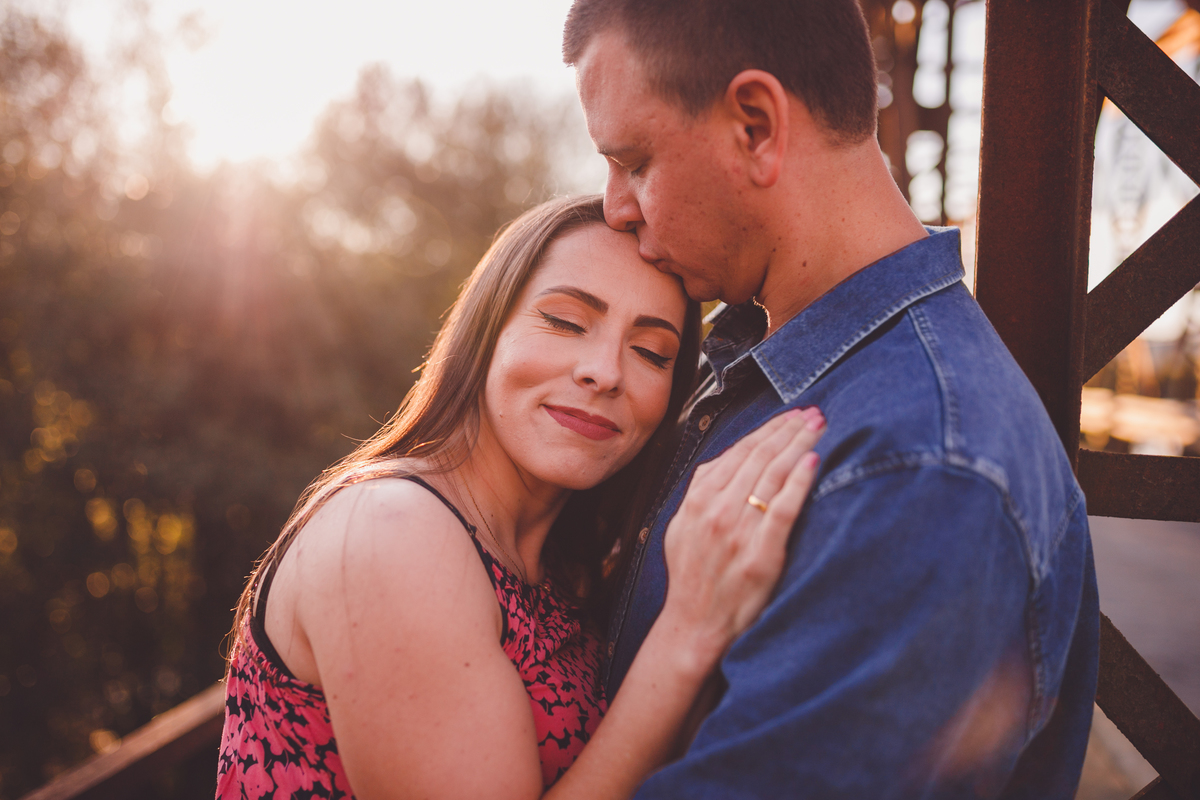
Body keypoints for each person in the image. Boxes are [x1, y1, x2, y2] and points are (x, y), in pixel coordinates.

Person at [564, 1, 1100, 797]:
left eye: (635, 161)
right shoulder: (760, 355)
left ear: (755, 125)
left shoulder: (921, 475)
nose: (616, 206)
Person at [215, 195, 826, 798]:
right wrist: (689, 631)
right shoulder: (389, 529)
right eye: (565, 322)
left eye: (651, 352)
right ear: (488, 330)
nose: (605, 371)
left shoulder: (565, 566)